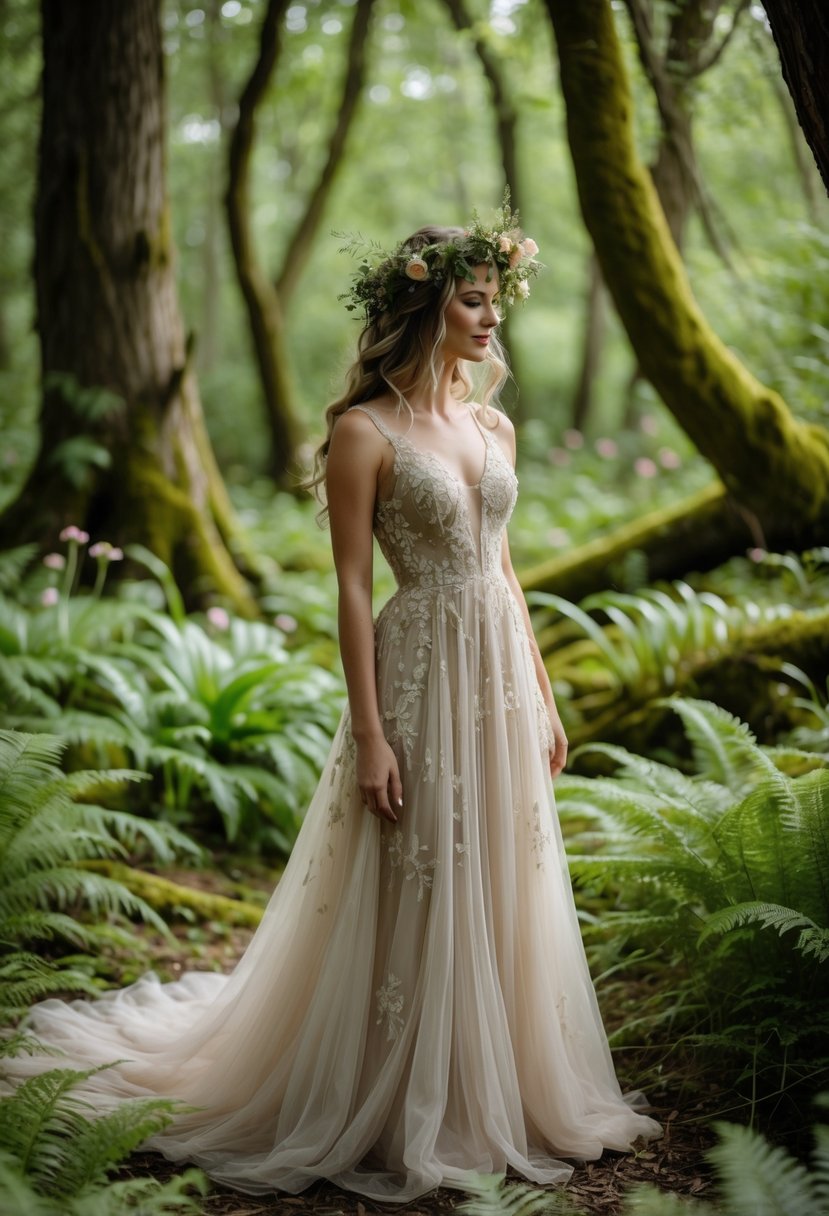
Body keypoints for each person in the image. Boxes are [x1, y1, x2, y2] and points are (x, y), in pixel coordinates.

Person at [9, 203, 662, 1204]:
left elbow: (503, 565)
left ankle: (501, 1082)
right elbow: (354, 589)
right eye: (474, 301)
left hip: (491, 664)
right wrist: (370, 734)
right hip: (416, 672)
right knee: (420, 865)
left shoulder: (492, 424)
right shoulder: (364, 433)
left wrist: (540, 687)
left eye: (497, 300)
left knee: (498, 859)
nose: (492, 320)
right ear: (428, 306)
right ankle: (399, 1090)